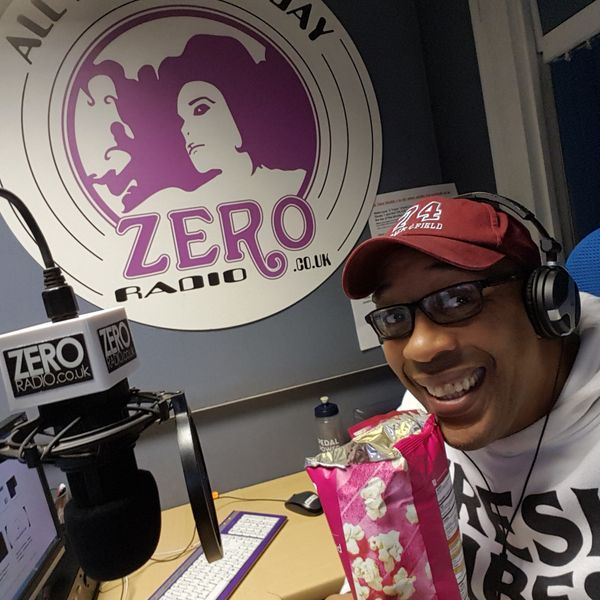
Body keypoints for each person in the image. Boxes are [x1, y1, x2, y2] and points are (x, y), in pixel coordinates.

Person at [327, 194, 600, 598]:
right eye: (395, 316)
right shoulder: (420, 415)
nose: (420, 348)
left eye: (459, 299)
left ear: (544, 304)